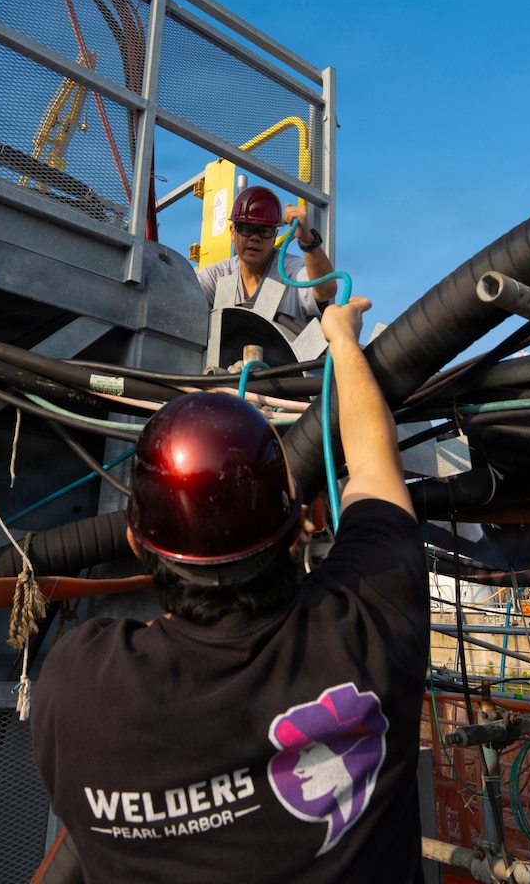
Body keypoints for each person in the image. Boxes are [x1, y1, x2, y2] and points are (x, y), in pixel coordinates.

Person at [31, 298, 430, 883]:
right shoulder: (372, 625)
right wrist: (342, 339)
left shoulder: (76, 689)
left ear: (137, 544)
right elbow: (373, 460)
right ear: (303, 525)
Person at [195, 185, 337, 325]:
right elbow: (186, 306)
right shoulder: (216, 277)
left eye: (264, 231)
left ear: (275, 236)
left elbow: (327, 290)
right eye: (246, 228)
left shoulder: (290, 272)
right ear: (232, 232)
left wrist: (307, 240)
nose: (255, 238)